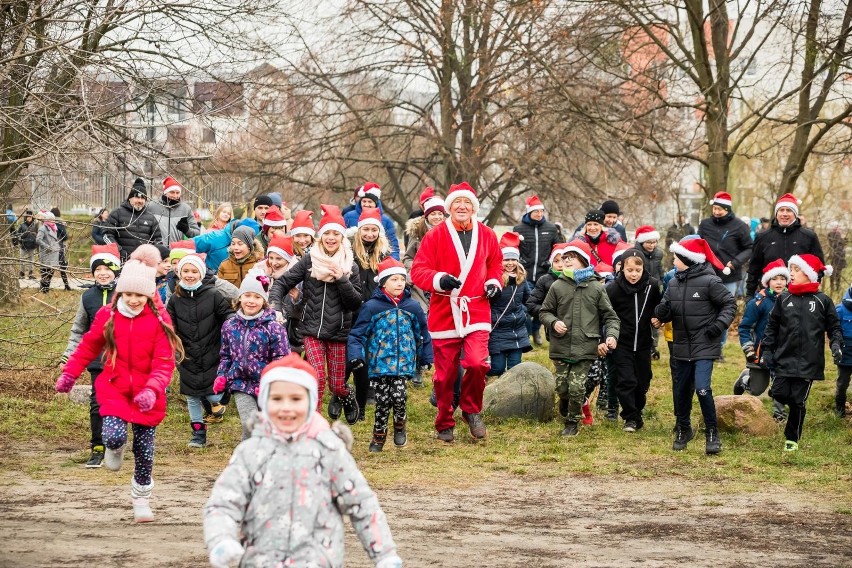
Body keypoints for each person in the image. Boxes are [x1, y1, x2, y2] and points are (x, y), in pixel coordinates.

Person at [203, 355, 402, 568]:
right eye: (277, 399)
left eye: (296, 399)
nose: (286, 407)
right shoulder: (250, 452)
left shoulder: (329, 450)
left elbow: (362, 505)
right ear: (264, 402)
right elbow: (223, 502)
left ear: (311, 402)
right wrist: (221, 539)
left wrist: (384, 554)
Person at [56, 245, 183, 522]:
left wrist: (152, 388)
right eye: (128, 293)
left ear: (149, 295)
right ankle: (115, 446)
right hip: (114, 388)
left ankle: (141, 498)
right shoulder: (107, 316)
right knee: (113, 436)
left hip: (147, 394)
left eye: (140, 294)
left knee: (145, 451)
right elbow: (87, 347)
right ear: (120, 292)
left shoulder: (159, 322)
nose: (134, 299)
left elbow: (164, 362)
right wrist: (70, 373)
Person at [410, 182, 503, 442]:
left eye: (467, 203)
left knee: (477, 363)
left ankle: (471, 410)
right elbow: (418, 270)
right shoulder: (435, 235)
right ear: (449, 208)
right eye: (457, 203)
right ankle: (444, 421)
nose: (462, 207)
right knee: (444, 376)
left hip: (476, 307)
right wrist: (439, 279)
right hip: (444, 310)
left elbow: (495, 264)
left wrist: (494, 283)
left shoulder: (486, 234)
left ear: (473, 207)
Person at [269, 205, 363, 424]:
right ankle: (315, 425)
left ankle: (346, 395)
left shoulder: (351, 266)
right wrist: (275, 305)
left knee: (336, 384)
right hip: (311, 329)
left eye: (335, 234)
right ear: (320, 237)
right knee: (317, 378)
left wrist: (342, 279)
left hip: (339, 332)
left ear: (341, 237)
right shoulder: (310, 260)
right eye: (327, 233)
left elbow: (355, 302)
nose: (331, 238)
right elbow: (282, 282)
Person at [652, 237, 735, 454]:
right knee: (681, 390)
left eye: (676, 257)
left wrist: (718, 327)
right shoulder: (673, 282)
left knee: (702, 388)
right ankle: (684, 428)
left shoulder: (710, 282)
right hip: (680, 344)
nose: (673, 261)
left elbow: (729, 304)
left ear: (687, 259)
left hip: (705, 344)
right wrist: (660, 313)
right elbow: (667, 308)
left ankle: (711, 432)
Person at [348, 258, 433, 451]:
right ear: (383, 282)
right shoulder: (372, 307)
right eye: (394, 279)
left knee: (400, 395)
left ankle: (400, 426)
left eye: (402, 279)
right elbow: (358, 334)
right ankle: (378, 436)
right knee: (383, 401)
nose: (399, 283)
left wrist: (426, 356)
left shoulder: (412, 307)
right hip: (379, 364)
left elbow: (423, 333)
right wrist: (356, 356)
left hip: (403, 363)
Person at [539, 239, 620, 436]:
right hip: (561, 345)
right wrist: (553, 322)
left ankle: (572, 422)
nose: (566, 261)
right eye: (564, 258)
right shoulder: (557, 286)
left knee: (576, 387)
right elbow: (544, 311)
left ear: (583, 260)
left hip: (586, 346)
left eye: (571, 258)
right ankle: (566, 406)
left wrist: (611, 336)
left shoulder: (596, 287)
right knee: (562, 388)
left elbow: (610, 317)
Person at [762, 254, 842, 451]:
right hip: (784, 358)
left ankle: (792, 439)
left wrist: (836, 345)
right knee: (778, 393)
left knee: (798, 402)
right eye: (791, 269)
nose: (791, 274)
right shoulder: (784, 298)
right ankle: (752, 380)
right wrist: (767, 351)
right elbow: (772, 327)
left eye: (796, 270)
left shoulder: (823, 300)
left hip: (809, 362)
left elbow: (834, 328)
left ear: (809, 273)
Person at [60, 243, 122, 468]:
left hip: (124, 360)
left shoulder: (126, 294)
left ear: (116, 270)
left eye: (107, 269)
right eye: (98, 270)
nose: (103, 273)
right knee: (97, 404)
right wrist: (69, 356)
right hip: (97, 361)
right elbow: (78, 330)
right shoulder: (87, 298)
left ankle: (118, 443)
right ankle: (97, 448)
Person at [167, 253, 234, 448]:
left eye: (194, 271)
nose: (189, 275)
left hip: (212, 351)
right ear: (179, 273)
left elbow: (227, 314)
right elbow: (168, 322)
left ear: (201, 273)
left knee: (213, 393)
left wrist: (231, 327)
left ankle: (219, 400)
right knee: (192, 396)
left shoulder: (213, 295)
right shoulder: (175, 299)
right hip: (186, 355)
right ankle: (198, 433)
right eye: (185, 271)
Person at [214, 269, 290, 440]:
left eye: (257, 297)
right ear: (240, 297)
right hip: (240, 383)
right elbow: (226, 354)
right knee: (250, 422)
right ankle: (246, 459)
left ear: (264, 301)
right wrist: (222, 375)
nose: (251, 301)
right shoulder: (229, 325)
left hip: (267, 386)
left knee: (267, 427)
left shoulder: (274, 327)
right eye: (247, 295)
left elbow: (282, 359)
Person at [606, 250, 661, 433]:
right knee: (626, 380)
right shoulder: (613, 289)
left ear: (643, 268)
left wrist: (658, 317)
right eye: (630, 270)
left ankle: (637, 411)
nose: (634, 274)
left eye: (638, 270)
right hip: (622, 343)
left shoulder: (652, 285)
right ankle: (630, 417)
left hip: (644, 342)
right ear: (622, 268)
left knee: (643, 381)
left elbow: (658, 307)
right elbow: (606, 314)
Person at [734, 259, 789, 421]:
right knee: (756, 390)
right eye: (775, 279)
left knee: (779, 381)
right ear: (767, 281)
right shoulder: (758, 302)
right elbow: (745, 328)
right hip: (760, 351)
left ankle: (779, 416)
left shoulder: (791, 299)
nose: (779, 283)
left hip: (783, 350)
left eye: (782, 279)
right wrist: (749, 349)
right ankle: (745, 379)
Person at [350, 207, 392, 417]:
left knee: (370, 355)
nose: (369, 234)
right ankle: (349, 393)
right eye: (365, 230)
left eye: (373, 230)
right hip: (352, 309)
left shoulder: (384, 254)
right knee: (355, 356)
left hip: (374, 309)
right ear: (359, 231)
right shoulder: (349, 251)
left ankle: (367, 392)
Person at [747, 193, 825, 298]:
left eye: (788, 210)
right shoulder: (762, 237)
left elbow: (819, 267)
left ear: (795, 214)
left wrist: (811, 288)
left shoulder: (809, 236)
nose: (784, 214)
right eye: (781, 210)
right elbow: (753, 269)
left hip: (800, 296)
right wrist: (749, 296)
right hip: (769, 296)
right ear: (776, 213)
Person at [513, 195, 565, 345]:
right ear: (529, 212)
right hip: (525, 274)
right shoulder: (519, 228)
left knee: (542, 306)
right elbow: (513, 247)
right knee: (525, 305)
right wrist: (519, 260)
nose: (539, 214)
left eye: (541, 211)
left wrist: (551, 260)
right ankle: (527, 331)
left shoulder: (550, 228)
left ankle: (536, 330)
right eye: (536, 211)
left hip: (544, 274)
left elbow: (558, 247)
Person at [488, 232, 532, 376]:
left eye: (513, 259)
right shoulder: (495, 280)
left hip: (517, 330)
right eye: (506, 259)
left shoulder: (521, 280)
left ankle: (508, 396)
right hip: (498, 330)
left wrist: (524, 312)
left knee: (514, 369)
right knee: (497, 368)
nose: (510, 263)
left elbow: (529, 300)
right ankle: (480, 376)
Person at [698, 191, 753, 302]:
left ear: (727, 209)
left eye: (720, 209)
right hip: (706, 273)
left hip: (728, 275)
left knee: (725, 307)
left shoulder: (740, 226)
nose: (716, 212)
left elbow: (750, 248)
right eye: (714, 208)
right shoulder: (705, 224)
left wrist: (735, 263)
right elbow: (698, 244)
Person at [103, 178, 163, 260]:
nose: (140, 200)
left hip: (144, 263)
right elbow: (107, 235)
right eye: (137, 197)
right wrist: (120, 252)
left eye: (143, 198)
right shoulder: (117, 213)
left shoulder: (151, 218)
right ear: (130, 198)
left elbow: (158, 240)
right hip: (121, 261)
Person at [342, 182, 401, 260]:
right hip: (353, 259)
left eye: (370, 202)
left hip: (377, 260)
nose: (366, 204)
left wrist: (392, 262)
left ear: (376, 203)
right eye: (364, 201)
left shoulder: (386, 221)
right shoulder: (348, 216)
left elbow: (393, 245)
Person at [146, 176, 200, 245]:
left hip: (176, 252)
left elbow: (197, 234)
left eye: (177, 193)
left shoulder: (186, 209)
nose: (175, 196)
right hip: (157, 250)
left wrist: (187, 230)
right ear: (165, 192)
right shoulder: (152, 206)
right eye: (172, 192)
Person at [194, 218, 260, 273]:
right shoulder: (217, 238)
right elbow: (190, 245)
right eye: (234, 243)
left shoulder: (257, 247)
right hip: (215, 281)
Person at [835, 283, 852, 417]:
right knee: (842, 383)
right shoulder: (840, 310)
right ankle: (839, 409)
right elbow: (834, 331)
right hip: (845, 354)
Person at [36, 211, 61, 293]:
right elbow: (38, 240)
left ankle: (46, 289)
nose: (53, 221)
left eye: (53, 219)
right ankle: (44, 290)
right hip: (46, 254)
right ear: (47, 220)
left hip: (53, 254)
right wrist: (47, 247)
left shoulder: (54, 228)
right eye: (51, 219)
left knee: (50, 273)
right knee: (45, 273)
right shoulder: (43, 228)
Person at [48, 207, 71, 291]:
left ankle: (45, 286)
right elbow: (65, 236)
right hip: (59, 246)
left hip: (50, 246)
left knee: (50, 267)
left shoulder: (47, 223)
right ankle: (66, 285)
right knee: (62, 267)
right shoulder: (60, 223)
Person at [14, 209, 39, 278]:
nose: (29, 218)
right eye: (28, 217)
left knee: (31, 261)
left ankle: (30, 274)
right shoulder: (22, 225)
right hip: (23, 245)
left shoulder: (35, 225)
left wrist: (35, 240)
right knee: (22, 260)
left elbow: (38, 234)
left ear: (32, 217)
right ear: (25, 217)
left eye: (30, 217)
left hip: (32, 246)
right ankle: (22, 273)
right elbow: (18, 234)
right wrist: (20, 239)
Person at [827, 221, 847, 298]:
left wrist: (842, 237)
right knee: (832, 274)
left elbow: (844, 243)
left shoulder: (840, 236)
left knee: (839, 274)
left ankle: (837, 288)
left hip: (840, 258)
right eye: (837, 227)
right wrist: (841, 237)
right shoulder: (831, 235)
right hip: (834, 258)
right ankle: (832, 288)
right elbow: (835, 244)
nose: (839, 228)